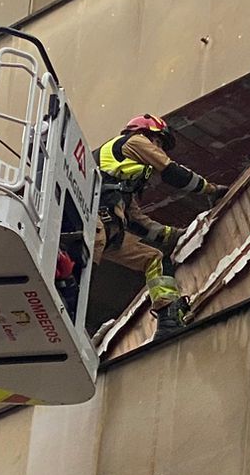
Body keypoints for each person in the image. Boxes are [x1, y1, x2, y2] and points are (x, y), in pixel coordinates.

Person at [93, 114, 221, 337]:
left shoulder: (121, 186)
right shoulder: (135, 141)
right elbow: (172, 172)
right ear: (147, 133)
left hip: (108, 232)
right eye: (159, 142)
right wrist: (211, 189)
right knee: (74, 274)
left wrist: (175, 235)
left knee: (155, 259)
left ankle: (168, 320)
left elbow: (138, 222)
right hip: (91, 223)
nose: (159, 148)